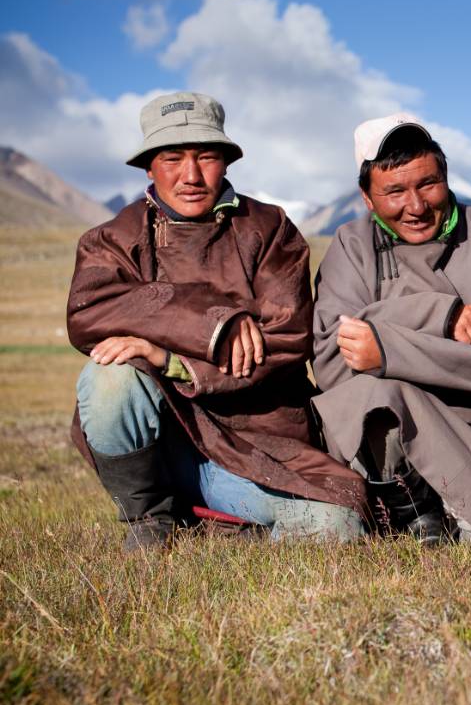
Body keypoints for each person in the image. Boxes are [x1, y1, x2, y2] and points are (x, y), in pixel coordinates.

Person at [67, 92, 366, 550]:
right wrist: (213, 323)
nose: (190, 175)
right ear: (150, 166)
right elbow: (88, 311)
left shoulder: (270, 230)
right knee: (110, 376)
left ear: (226, 162)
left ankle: (213, 520)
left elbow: (285, 337)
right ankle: (148, 515)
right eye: (172, 158)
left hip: (256, 445)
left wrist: (169, 356)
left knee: (336, 528)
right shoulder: (110, 240)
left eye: (206, 156)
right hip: (162, 450)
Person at [310, 114, 471, 553]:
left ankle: (444, 510)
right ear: (367, 197)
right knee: (374, 397)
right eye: (394, 191)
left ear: (445, 176)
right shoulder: (349, 246)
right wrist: (439, 314)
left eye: (428, 184)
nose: (416, 206)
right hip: (383, 442)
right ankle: (410, 513)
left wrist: (383, 347)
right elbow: (332, 362)